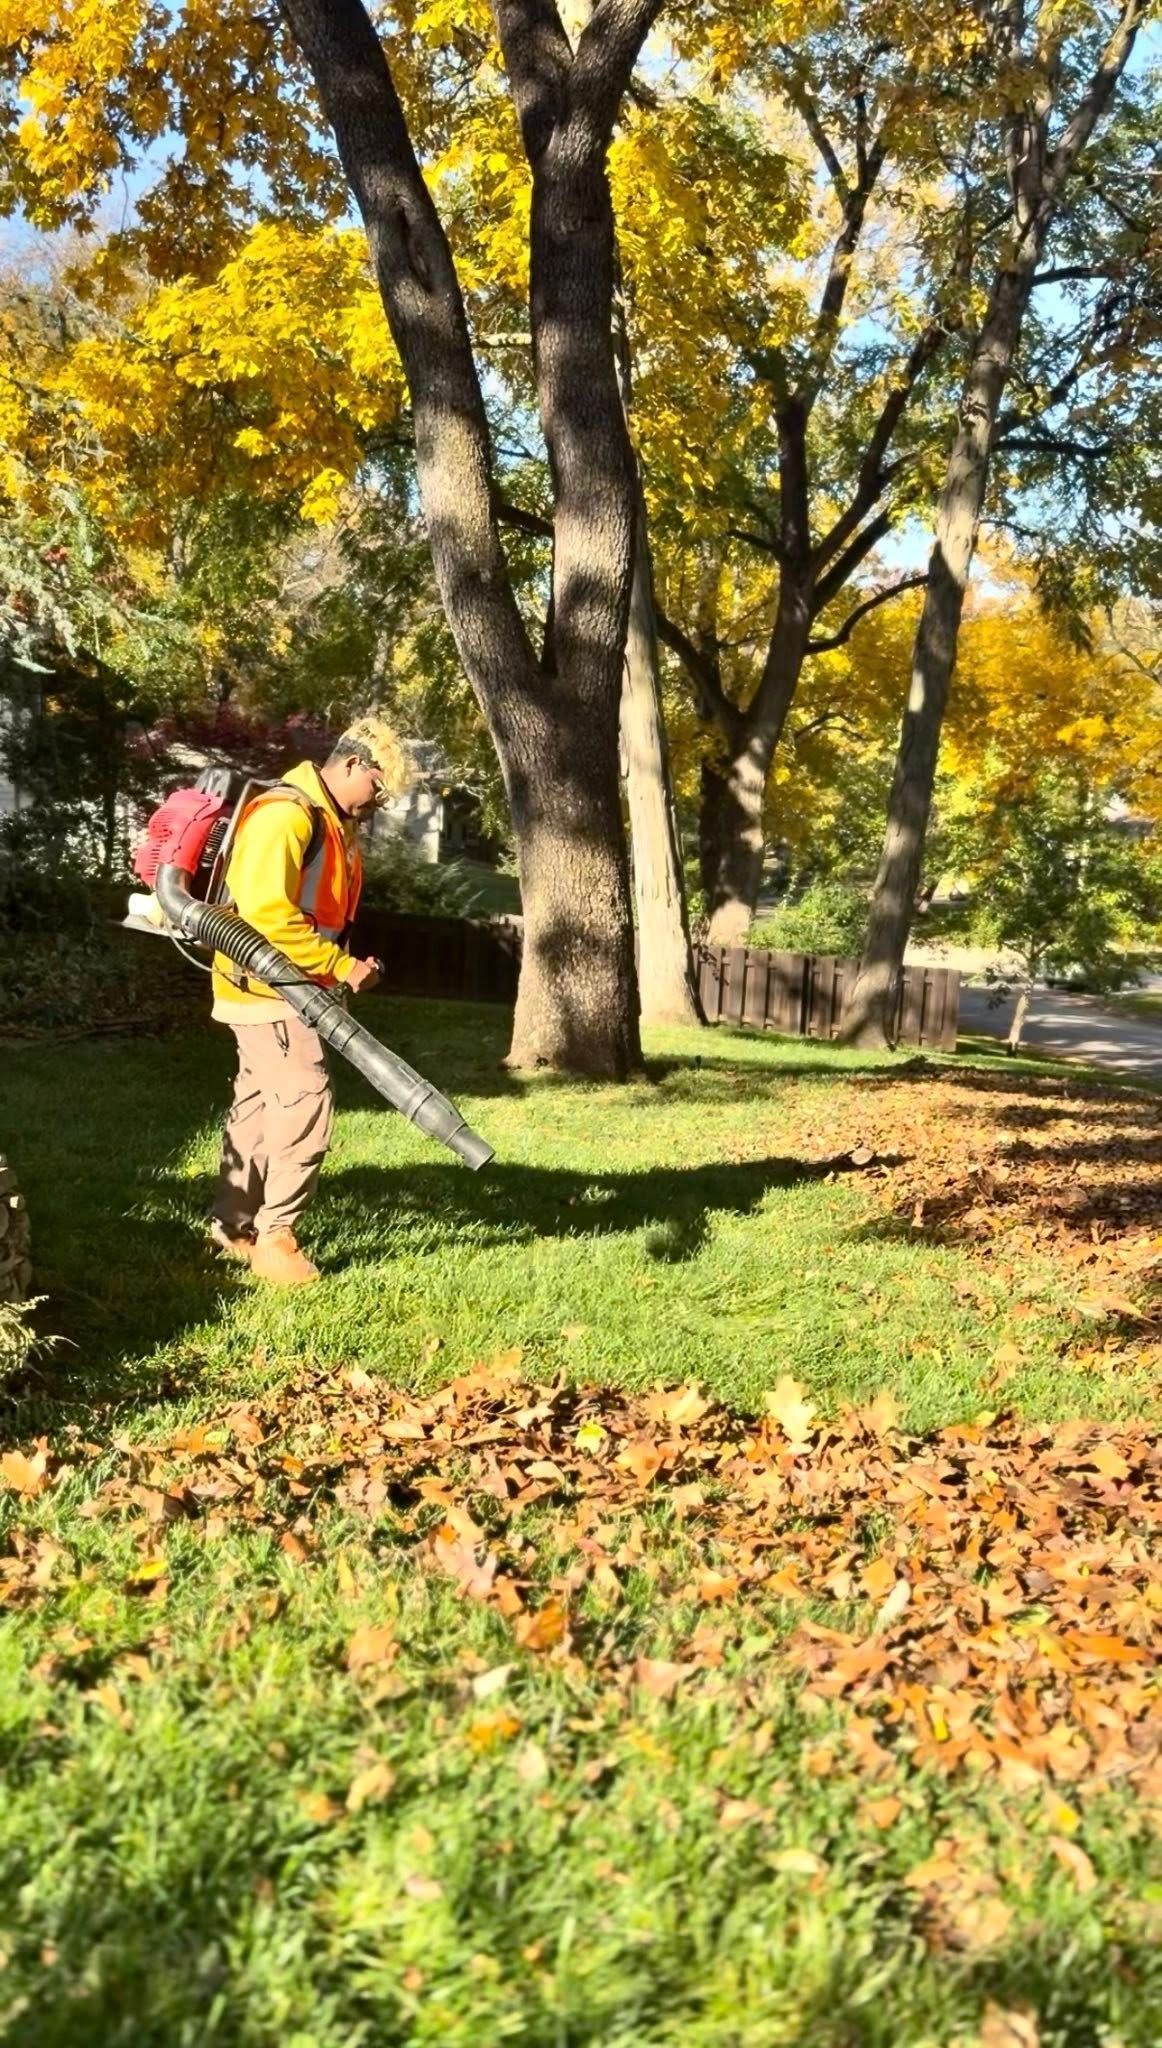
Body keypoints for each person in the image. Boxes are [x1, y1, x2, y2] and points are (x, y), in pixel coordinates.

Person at [207, 716, 410, 1287]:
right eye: (377, 787)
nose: (379, 802)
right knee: (303, 1101)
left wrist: (341, 964)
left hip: (283, 984)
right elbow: (268, 914)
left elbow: (316, 911)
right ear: (351, 765)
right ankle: (276, 1239)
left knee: (259, 1105)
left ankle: (232, 1227)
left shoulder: (328, 819)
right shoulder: (287, 815)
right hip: (268, 985)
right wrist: (339, 965)